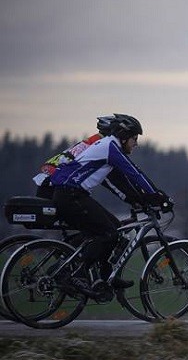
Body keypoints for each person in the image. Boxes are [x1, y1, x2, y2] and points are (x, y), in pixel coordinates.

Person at [50, 114, 171, 291]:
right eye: (134, 138)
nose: (136, 143)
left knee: (115, 228)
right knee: (108, 233)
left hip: (74, 195)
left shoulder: (107, 147)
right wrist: (157, 195)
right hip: (71, 196)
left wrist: (140, 199)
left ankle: (106, 277)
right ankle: (76, 273)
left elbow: (120, 182)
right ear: (123, 136)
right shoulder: (110, 147)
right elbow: (134, 173)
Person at [33, 115, 116, 199]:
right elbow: (106, 177)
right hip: (56, 185)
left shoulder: (92, 141)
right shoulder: (102, 145)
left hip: (49, 180)